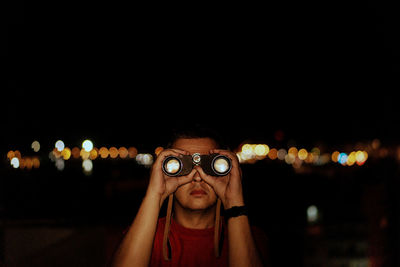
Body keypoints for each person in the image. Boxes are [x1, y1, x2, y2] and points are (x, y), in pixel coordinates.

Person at [111, 126, 268, 267]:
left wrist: (234, 200)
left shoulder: (249, 237)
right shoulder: (144, 234)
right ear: (165, 171)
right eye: (184, 167)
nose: (198, 178)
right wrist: (155, 195)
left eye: (210, 167)